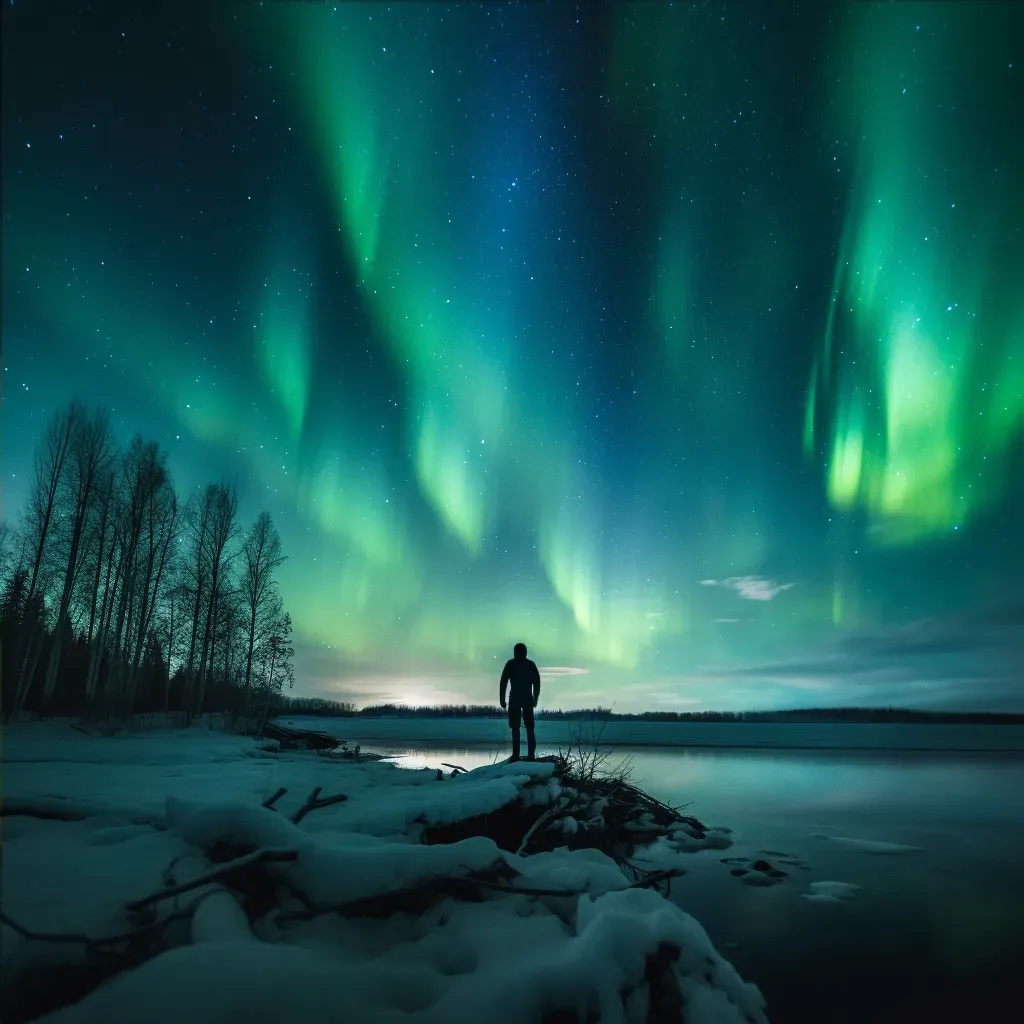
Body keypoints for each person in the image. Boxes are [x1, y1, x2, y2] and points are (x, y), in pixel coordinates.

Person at [499, 642, 541, 761]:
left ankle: (528, 755)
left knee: (526, 728)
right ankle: (519, 755)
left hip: (523, 699)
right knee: (519, 728)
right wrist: (502, 699)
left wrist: (535, 699)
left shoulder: (523, 664)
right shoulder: (514, 664)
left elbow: (536, 683)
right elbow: (504, 682)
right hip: (519, 699)